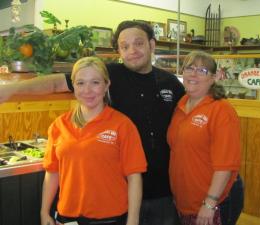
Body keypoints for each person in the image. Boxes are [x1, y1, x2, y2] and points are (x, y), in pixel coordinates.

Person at [0, 21, 243, 225]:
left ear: (152, 45)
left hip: (166, 194)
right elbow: (54, 83)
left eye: (138, 43)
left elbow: (201, 108)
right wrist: (9, 91)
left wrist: (210, 198)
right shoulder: (108, 75)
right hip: (124, 194)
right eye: (124, 46)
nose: (132, 50)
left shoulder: (171, 83)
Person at [40, 56, 147, 225]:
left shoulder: (123, 125)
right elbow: (52, 172)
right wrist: (44, 212)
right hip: (67, 218)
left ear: (106, 86)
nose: (87, 90)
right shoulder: (59, 125)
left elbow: (134, 177)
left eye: (95, 82)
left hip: (109, 219)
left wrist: (133, 220)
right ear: (73, 86)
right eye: (80, 83)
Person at [167, 51, 242, 225]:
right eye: (189, 68)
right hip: (184, 204)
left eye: (202, 71)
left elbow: (225, 165)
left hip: (211, 205)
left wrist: (209, 204)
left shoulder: (221, 110)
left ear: (213, 77)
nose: (193, 74)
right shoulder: (180, 106)